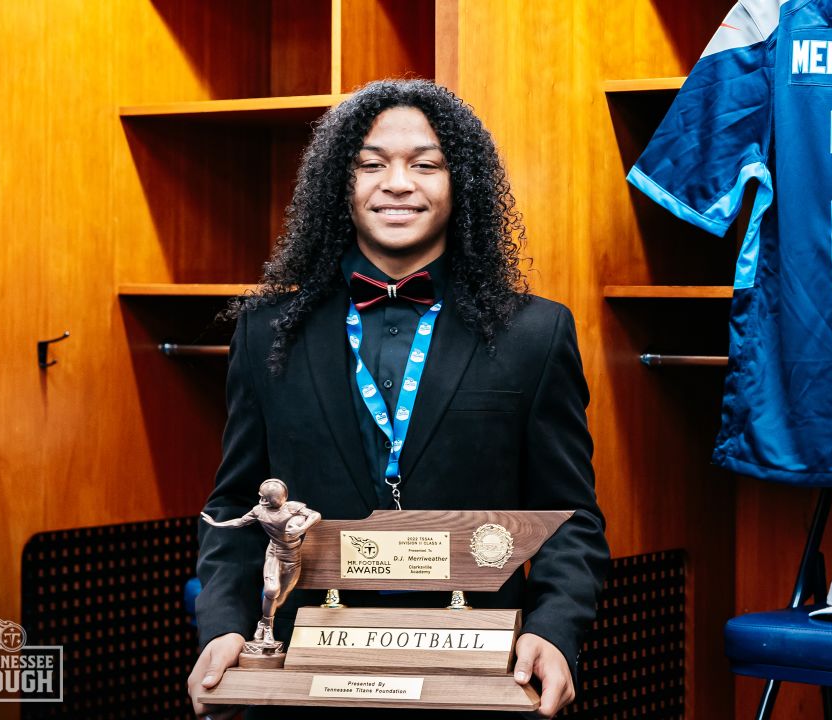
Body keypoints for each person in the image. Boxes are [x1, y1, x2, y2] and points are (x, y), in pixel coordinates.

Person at [187, 79, 609, 719]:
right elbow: (237, 502)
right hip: (305, 676)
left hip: (478, 673)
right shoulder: (267, 330)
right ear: (340, 182)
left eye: (426, 164)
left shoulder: (536, 334)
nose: (398, 182)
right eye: (371, 163)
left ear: (459, 182)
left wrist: (554, 632)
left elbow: (567, 515)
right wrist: (222, 624)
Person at [199, 479, 321, 646]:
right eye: (261, 497)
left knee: (282, 597)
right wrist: (216, 524)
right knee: (272, 591)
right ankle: (268, 626)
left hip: (292, 556)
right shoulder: (259, 511)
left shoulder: (293, 508)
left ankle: (264, 621)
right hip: (273, 553)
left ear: (281, 498)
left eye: (267, 498)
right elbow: (239, 522)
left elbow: (315, 515)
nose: (262, 501)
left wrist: (301, 528)